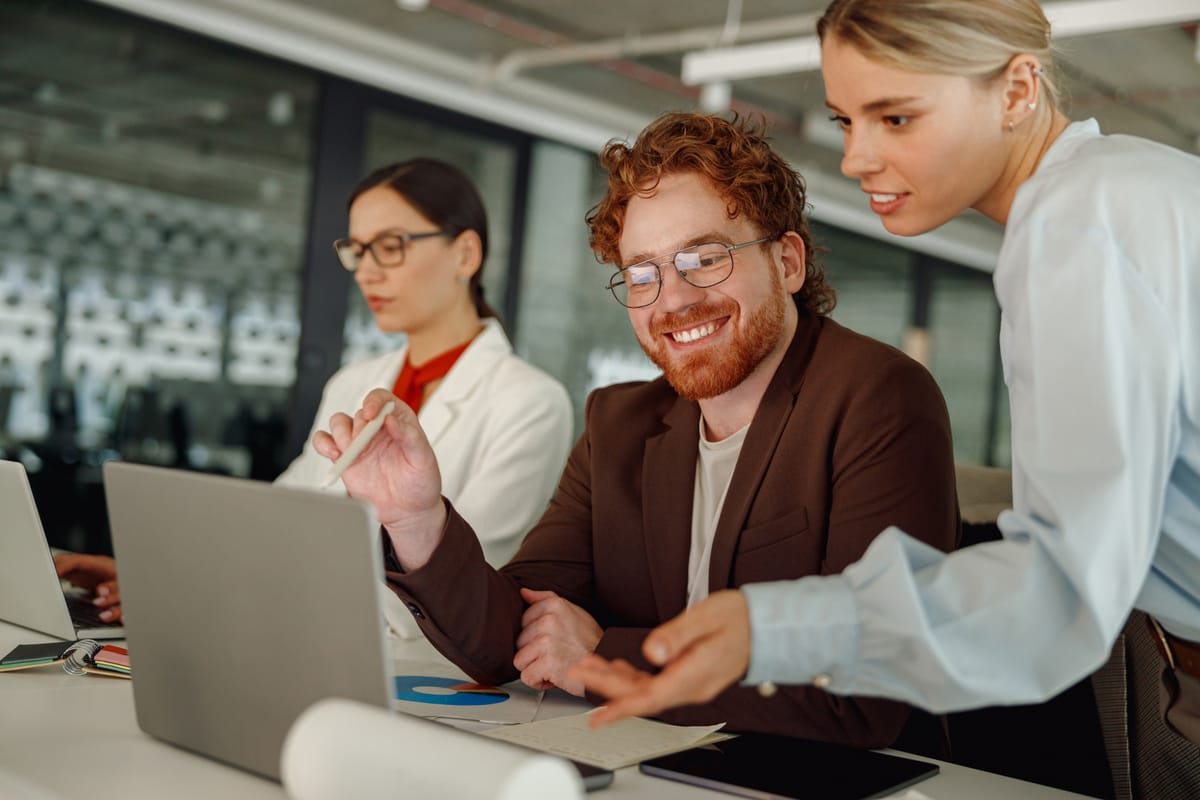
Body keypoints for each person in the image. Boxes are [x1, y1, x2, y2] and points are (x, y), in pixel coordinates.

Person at [569, 0, 1200, 754]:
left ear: (1018, 90)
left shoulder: (1078, 228)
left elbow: (1061, 590)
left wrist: (769, 629)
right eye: (845, 120)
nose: (856, 157)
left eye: (895, 118)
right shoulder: (1131, 188)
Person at [317, 112, 960, 749]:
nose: (673, 300)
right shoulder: (617, 425)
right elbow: (513, 639)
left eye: (705, 258)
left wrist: (604, 657)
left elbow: (869, 686)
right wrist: (418, 523)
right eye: (644, 274)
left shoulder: (877, 396)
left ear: (787, 261)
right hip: (652, 761)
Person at [57, 158, 574, 632]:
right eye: (358, 250)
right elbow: (282, 517)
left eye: (391, 246)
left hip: (420, 669)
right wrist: (166, 575)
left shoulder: (530, 402)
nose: (367, 271)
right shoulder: (354, 382)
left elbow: (456, 586)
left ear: (464, 253)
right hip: (297, 637)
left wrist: (204, 592)